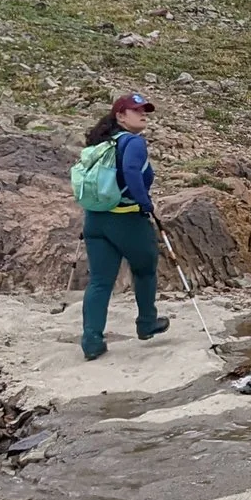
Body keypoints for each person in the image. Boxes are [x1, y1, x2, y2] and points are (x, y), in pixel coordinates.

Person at [79, 93, 172, 360]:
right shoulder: (133, 142)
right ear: (120, 116)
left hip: (95, 219)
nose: (143, 114)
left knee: (99, 281)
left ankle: (91, 340)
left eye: (145, 110)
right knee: (144, 269)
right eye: (136, 110)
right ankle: (146, 323)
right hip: (127, 218)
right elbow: (132, 172)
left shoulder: (101, 145)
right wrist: (146, 204)